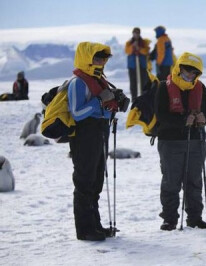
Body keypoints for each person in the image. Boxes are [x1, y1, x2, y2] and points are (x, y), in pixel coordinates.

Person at [155, 52, 206, 231]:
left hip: (197, 140)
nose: (190, 75)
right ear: (179, 68)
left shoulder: (200, 88)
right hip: (170, 142)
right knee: (171, 181)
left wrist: (205, 118)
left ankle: (195, 218)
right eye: (188, 71)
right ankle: (169, 219)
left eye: (194, 73)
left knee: (195, 181)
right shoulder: (163, 87)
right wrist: (182, 121)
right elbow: (161, 115)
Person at [68, 42, 122, 241]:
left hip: (100, 133)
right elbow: (77, 112)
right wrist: (99, 101)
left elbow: (103, 108)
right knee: (84, 182)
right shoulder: (78, 83)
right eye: (97, 58)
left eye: (104, 59)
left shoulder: (100, 81)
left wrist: (115, 103)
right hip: (84, 136)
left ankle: (95, 225)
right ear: (87, 59)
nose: (101, 62)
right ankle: (84, 229)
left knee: (97, 181)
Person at [125, 27, 150, 98]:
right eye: (135, 33)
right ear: (133, 33)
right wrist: (133, 46)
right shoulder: (129, 43)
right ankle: (134, 98)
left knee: (143, 83)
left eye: (137, 33)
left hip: (142, 65)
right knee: (133, 84)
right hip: (132, 66)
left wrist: (139, 49)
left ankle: (143, 98)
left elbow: (146, 51)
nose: (136, 34)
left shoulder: (144, 42)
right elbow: (127, 51)